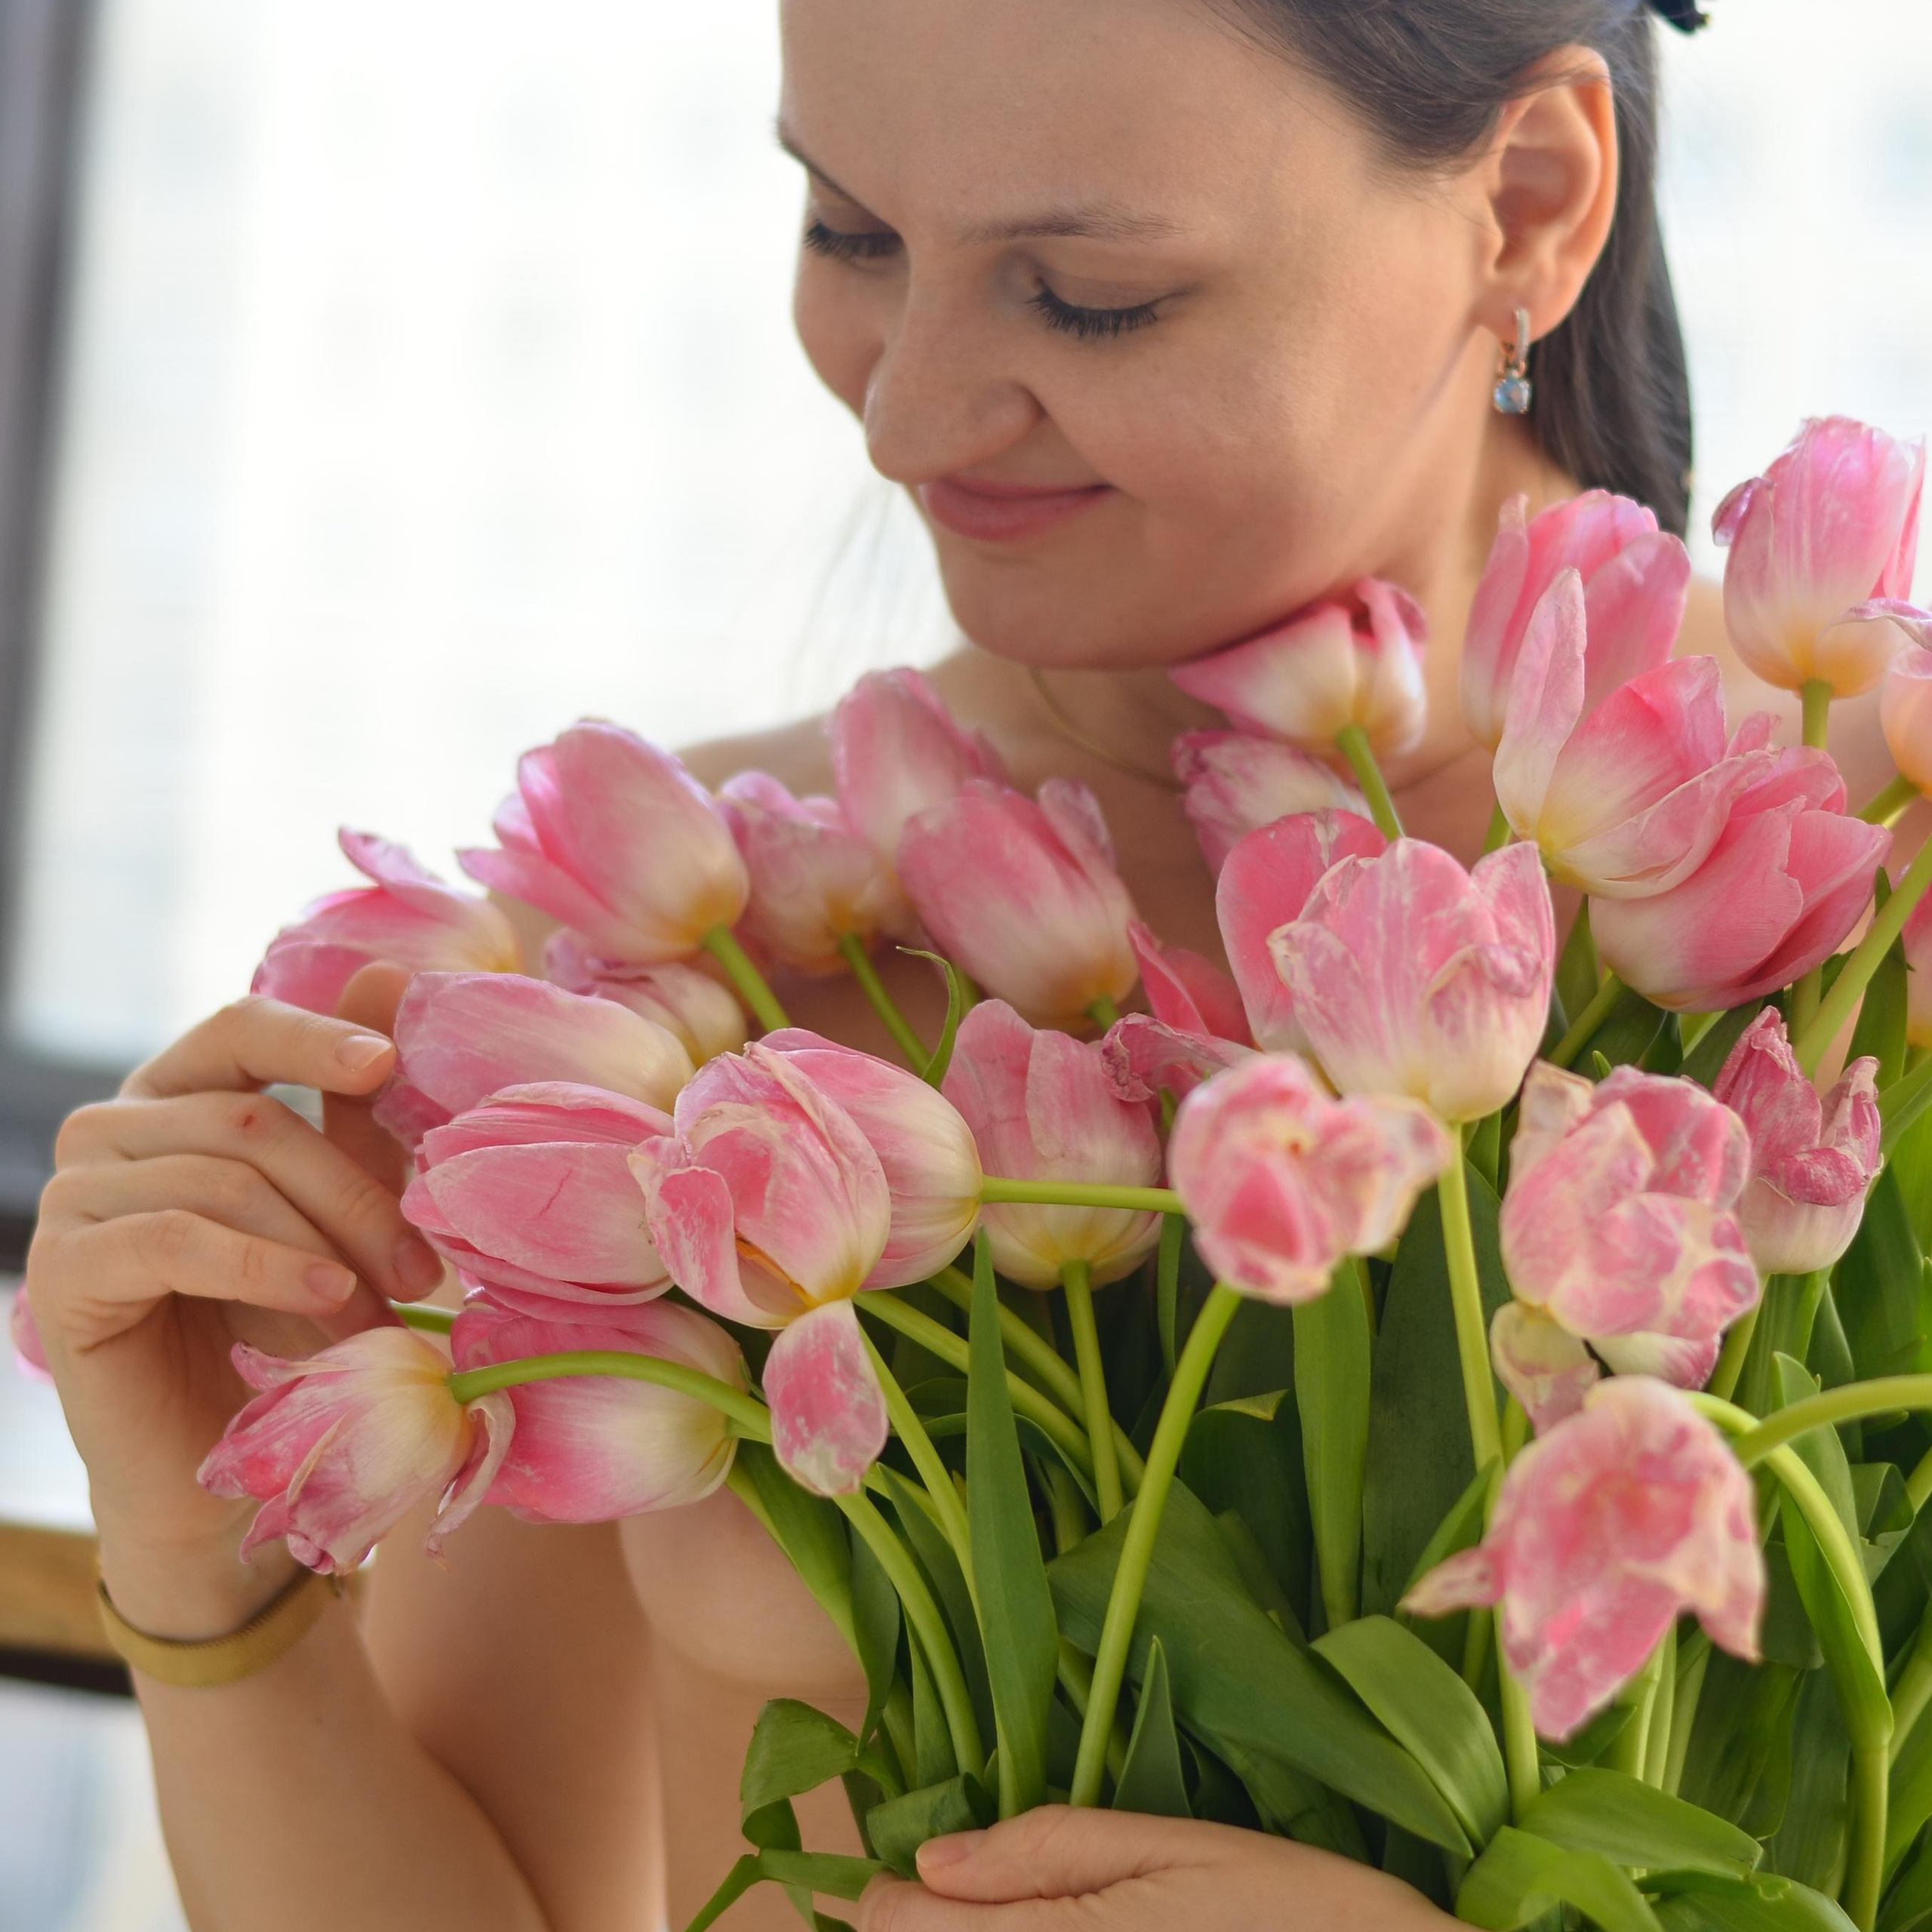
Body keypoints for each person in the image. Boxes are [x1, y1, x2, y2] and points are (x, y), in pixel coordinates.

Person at [20, 2, 1915, 1928]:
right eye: (848, 233)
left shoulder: (1878, 893)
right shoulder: (672, 981)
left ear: (1523, 202)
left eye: (1088, 295)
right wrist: (202, 1566)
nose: (901, 415)